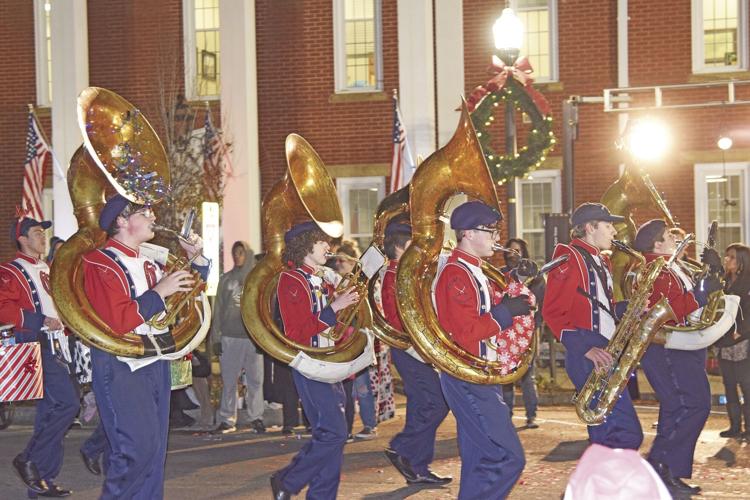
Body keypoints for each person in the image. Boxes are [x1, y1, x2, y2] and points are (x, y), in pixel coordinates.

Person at [82, 194, 209, 499]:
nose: (153, 217)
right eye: (145, 212)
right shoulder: (99, 262)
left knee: (154, 454)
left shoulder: (148, 261)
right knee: (133, 453)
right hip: (121, 365)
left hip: (155, 360)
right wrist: (158, 292)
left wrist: (197, 261)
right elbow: (118, 319)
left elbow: (183, 296)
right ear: (122, 220)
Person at [434, 201, 529, 499]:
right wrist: (505, 313)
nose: (495, 238)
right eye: (489, 231)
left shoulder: (474, 270)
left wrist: (516, 290)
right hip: (468, 377)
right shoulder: (456, 273)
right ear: (468, 234)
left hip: (478, 374)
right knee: (506, 457)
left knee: (478, 461)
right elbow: (466, 332)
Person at [632, 219, 722, 496]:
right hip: (669, 347)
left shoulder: (672, 266)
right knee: (693, 405)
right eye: (669, 236)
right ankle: (660, 463)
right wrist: (699, 296)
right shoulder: (653, 269)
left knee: (679, 407)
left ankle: (667, 470)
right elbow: (663, 311)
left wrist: (713, 272)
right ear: (656, 244)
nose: (675, 238)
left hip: (684, 344)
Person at [543, 202, 643, 450]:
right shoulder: (569, 257)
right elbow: (553, 311)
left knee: (606, 435)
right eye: (608, 226)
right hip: (590, 351)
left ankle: (601, 485)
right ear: (589, 228)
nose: (614, 232)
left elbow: (598, 307)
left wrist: (630, 308)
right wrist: (585, 349)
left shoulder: (600, 261)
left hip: (604, 349)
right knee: (625, 432)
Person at [270, 220, 359, 500]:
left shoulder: (320, 277)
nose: (328, 248)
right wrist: (334, 309)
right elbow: (295, 332)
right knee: (334, 433)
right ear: (305, 245)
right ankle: (288, 480)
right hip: (310, 364)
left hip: (330, 362)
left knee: (331, 435)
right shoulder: (291, 280)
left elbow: (329, 324)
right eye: (322, 242)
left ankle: (320, 495)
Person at [1, 213, 79, 497]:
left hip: (58, 346)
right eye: (36, 232)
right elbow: (3, 308)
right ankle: (28, 459)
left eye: (43, 232)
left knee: (51, 411)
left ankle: (41, 481)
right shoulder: (10, 271)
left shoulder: (47, 268)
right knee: (68, 405)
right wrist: (40, 321)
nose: (42, 237)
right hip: (36, 344)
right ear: (21, 239)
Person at [381, 219, 452, 485]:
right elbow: (399, 319)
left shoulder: (404, 273)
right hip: (410, 350)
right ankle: (403, 448)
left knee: (421, 405)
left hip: (416, 348)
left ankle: (417, 466)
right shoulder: (395, 275)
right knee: (437, 402)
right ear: (403, 246)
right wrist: (424, 350)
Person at [212, 241, 265, 434]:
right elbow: (217, 310)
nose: (237, 256)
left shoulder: (257, 280)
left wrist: (263, 339)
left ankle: (256, 417)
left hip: (252, 338)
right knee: (229, 380)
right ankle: (227, 418)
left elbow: (263, 310)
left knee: (255, 380)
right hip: (229, 336)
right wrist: (215, 339)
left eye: (241, 253)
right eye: (235, 253)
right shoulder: (226, 280)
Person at [500, 238, 542, 429]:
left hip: (528, 331)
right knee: (506, 376)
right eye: (509, 250)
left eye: (516, 250)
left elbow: (541, 305)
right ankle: (506, 415)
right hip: (506, 332)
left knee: (528, 375)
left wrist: (536, 333)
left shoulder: (535, 275)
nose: (512, 253)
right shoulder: (500, 274)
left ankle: (531, 415)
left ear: (523, 252)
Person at [716, 243, 750, 438]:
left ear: (743, 262)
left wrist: (741, 332)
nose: (727, 260)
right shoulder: (723, 281)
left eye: (732, 257)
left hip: (742, 342)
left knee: (747, 387)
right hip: (724, 341)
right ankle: (734, 427)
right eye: (726, 256)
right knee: (729, 386)